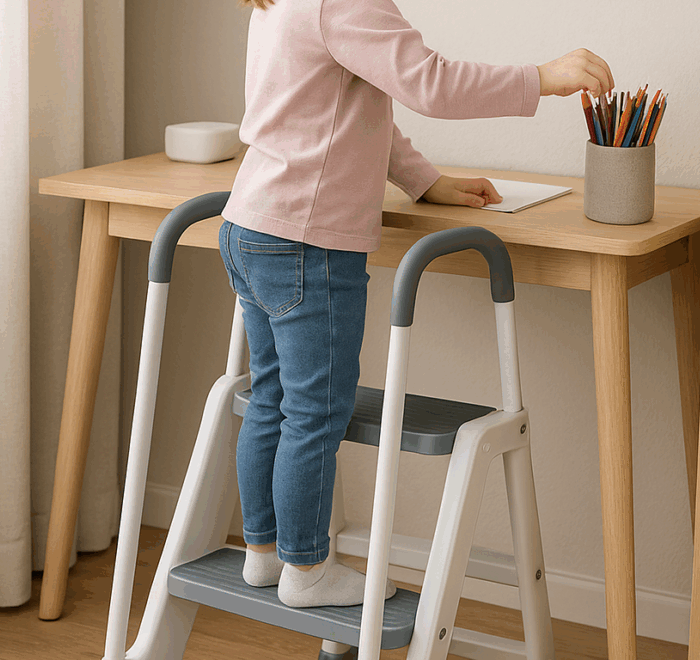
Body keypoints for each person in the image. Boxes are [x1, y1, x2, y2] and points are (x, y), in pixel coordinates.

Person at [218, 0, 614, 609]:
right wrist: (541, 77)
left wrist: (425, 182)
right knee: (315, 411)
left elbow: (356, 106)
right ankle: (306, 569)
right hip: (306, 239)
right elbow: (428, 82)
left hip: (253, 223)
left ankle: (265, 553)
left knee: (273, 397)